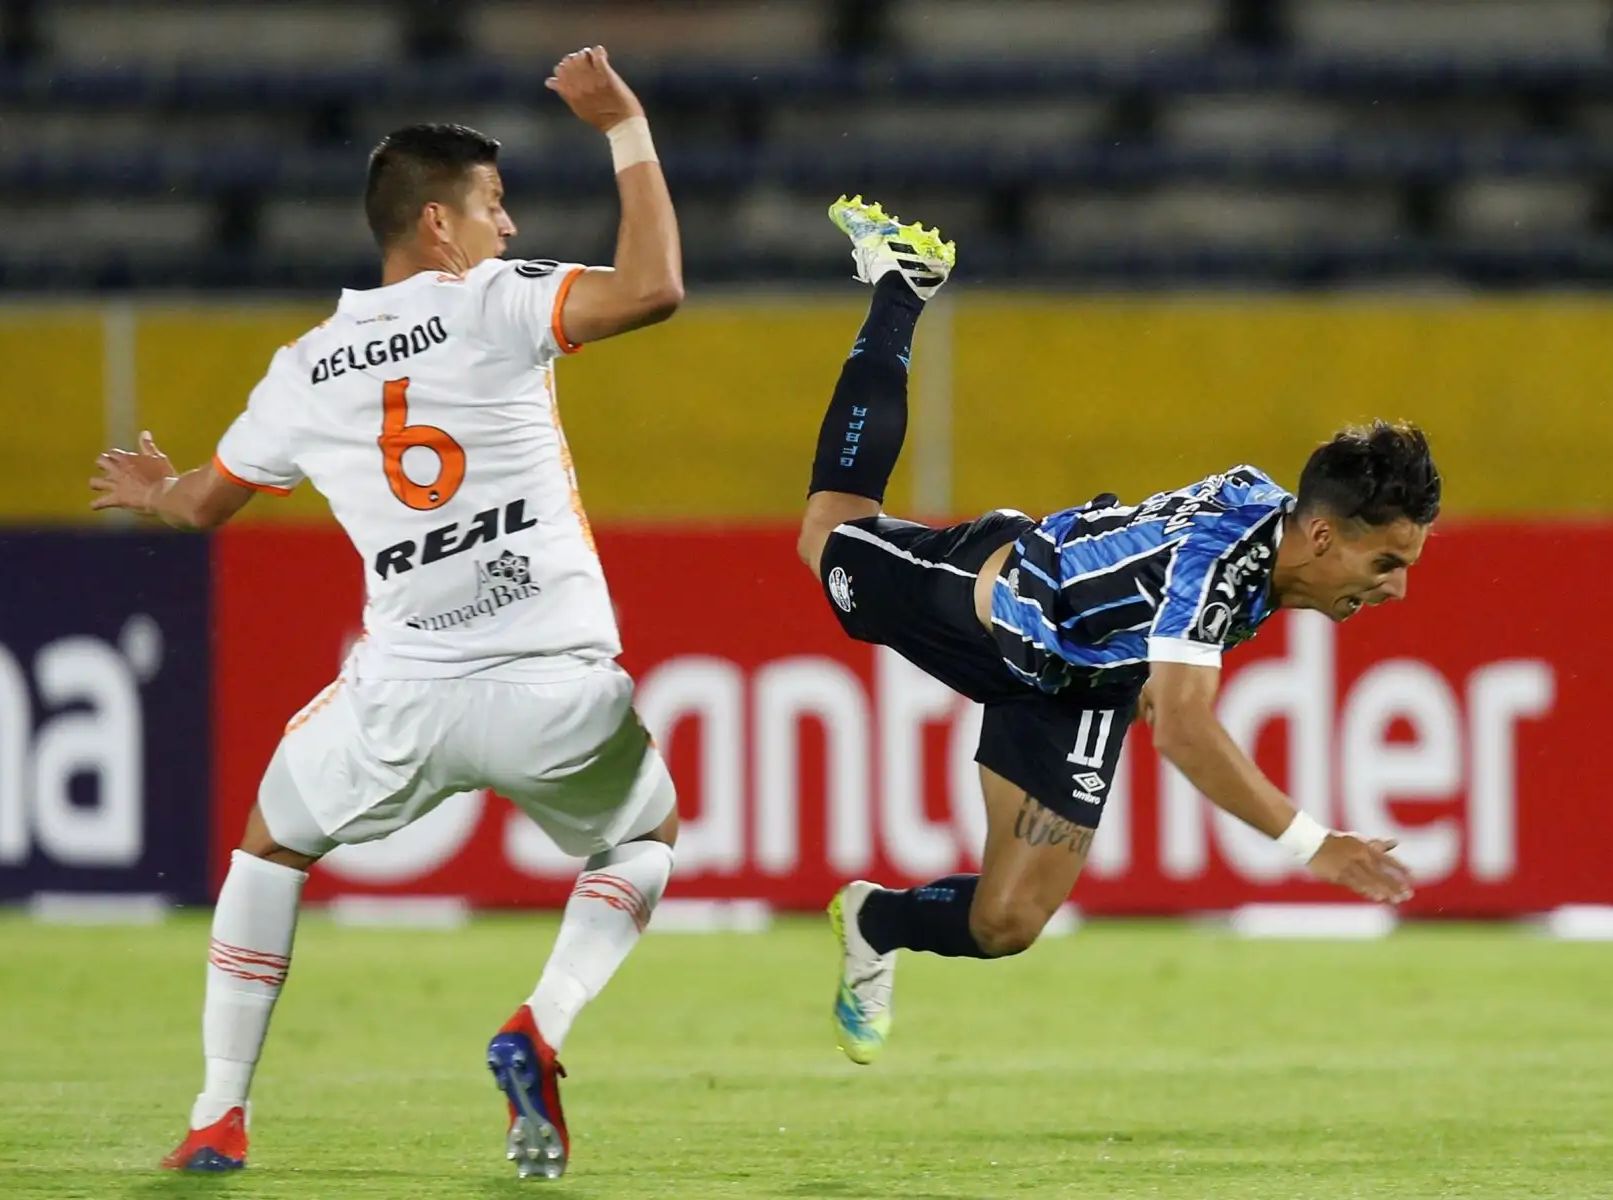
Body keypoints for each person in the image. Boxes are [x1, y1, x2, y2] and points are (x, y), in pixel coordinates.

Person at [88, 48, 682, 1179]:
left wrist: (153, 489)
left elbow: (206, 506)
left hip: (404, 696)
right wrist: (628, 128)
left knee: (270, 847)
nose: (508, 232)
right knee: (644, 841)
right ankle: (540, 1025)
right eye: (494, 209)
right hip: (556, 681)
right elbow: (653, 288)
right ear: (438, 227)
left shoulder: (303, 368)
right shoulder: (497, 305)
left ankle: (220, 1115)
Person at [800, 197, 1435, 1066]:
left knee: (1007, 923)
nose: (1395, 590)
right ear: (1324, 537)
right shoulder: (1222, 564)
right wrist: (1311, 842)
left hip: (1081, 682)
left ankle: (874, 918)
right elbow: (1182, 726)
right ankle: (902, 287)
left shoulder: (1279, 537)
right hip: (991, 604)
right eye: (1386, 564)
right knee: (829, 530)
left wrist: (1136, 657)